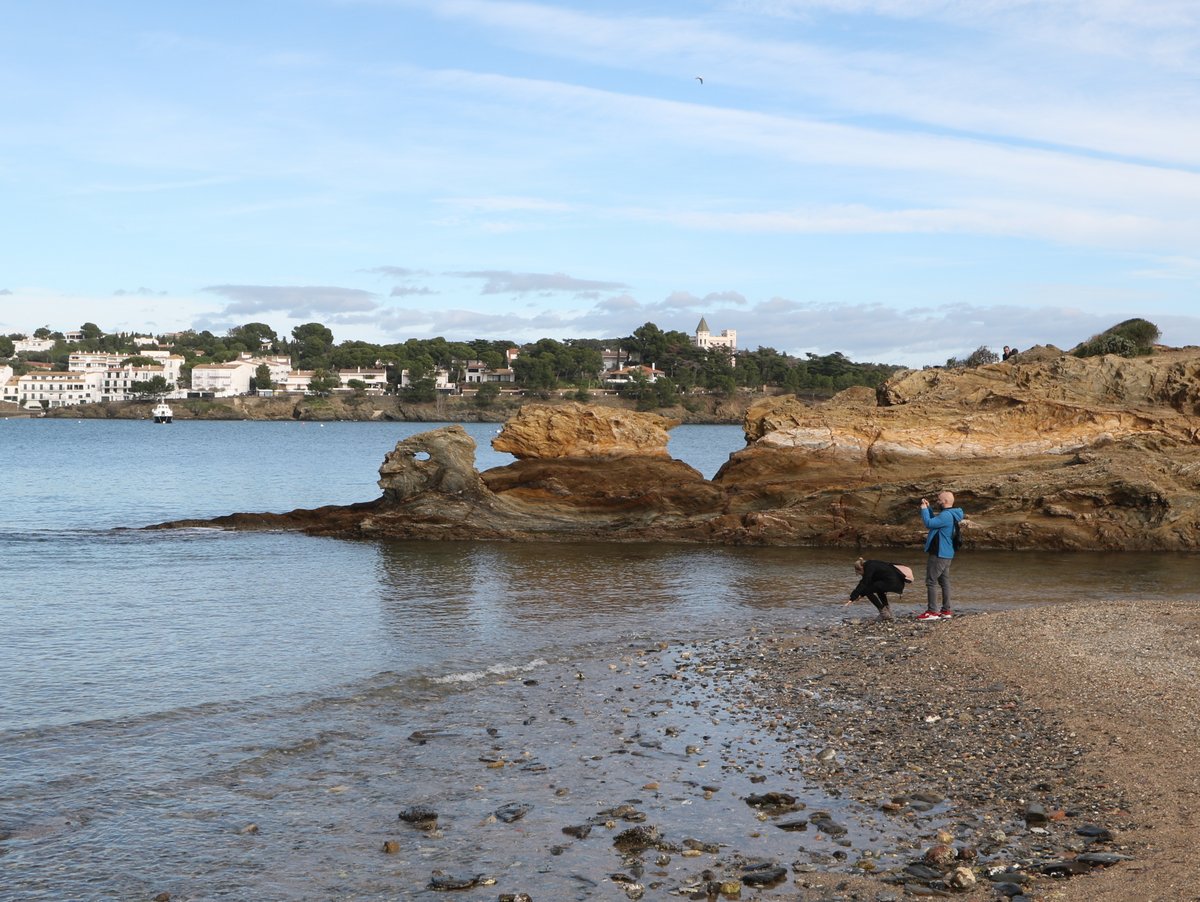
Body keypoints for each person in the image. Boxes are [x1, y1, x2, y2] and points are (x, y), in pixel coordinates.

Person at [919, 491, 964, 621]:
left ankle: (932, 611)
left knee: (931, 581)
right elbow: (935, 521)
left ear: (944, 501)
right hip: (947, 553)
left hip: (939, 553)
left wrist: (923, 510)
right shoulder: (951, 514)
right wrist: (928, 508)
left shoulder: (946, 516)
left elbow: (929, 524)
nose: (937, 501)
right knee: (944, 582)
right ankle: (946, 610)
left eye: (939, 500)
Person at [847, 557, 913, 622]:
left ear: (860, 569)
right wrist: (860, 595)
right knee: (878, 589)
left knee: (867, 591)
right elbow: (871, 583)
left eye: (860, 573)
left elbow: (864, 582)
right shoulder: (872, 564)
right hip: (898, 583)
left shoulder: (869, 567)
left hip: (893, 583)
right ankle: (888, 612)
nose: (861, 575)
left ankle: (883, 613)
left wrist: (852, 597)